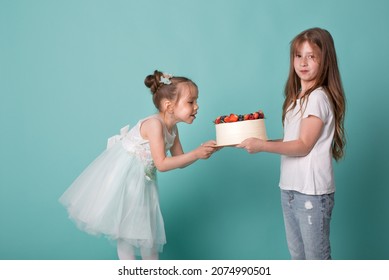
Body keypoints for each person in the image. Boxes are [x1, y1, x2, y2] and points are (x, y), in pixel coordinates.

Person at [59, 70, 218, 260]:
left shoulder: (172, 128)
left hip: (143, 180)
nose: (197, 106)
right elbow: (162, 164)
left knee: (146, 231)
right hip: (125, 178)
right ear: (169, 106)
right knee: (127, 232)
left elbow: (180, 160)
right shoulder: (154, 125)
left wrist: (199, 154)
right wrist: (196, 154)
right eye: (191, 102)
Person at [237, 28, 346, 259]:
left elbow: (304, 145)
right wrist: (258, 141)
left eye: (311, 56)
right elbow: (292, 141)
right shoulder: (296, 98)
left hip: (311, 193)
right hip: (290, 188)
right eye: (298, 56)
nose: (303, 62)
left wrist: (263, 146)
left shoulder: (318, 98)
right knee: (298, 258)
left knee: (315, 260)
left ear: (324, 61)